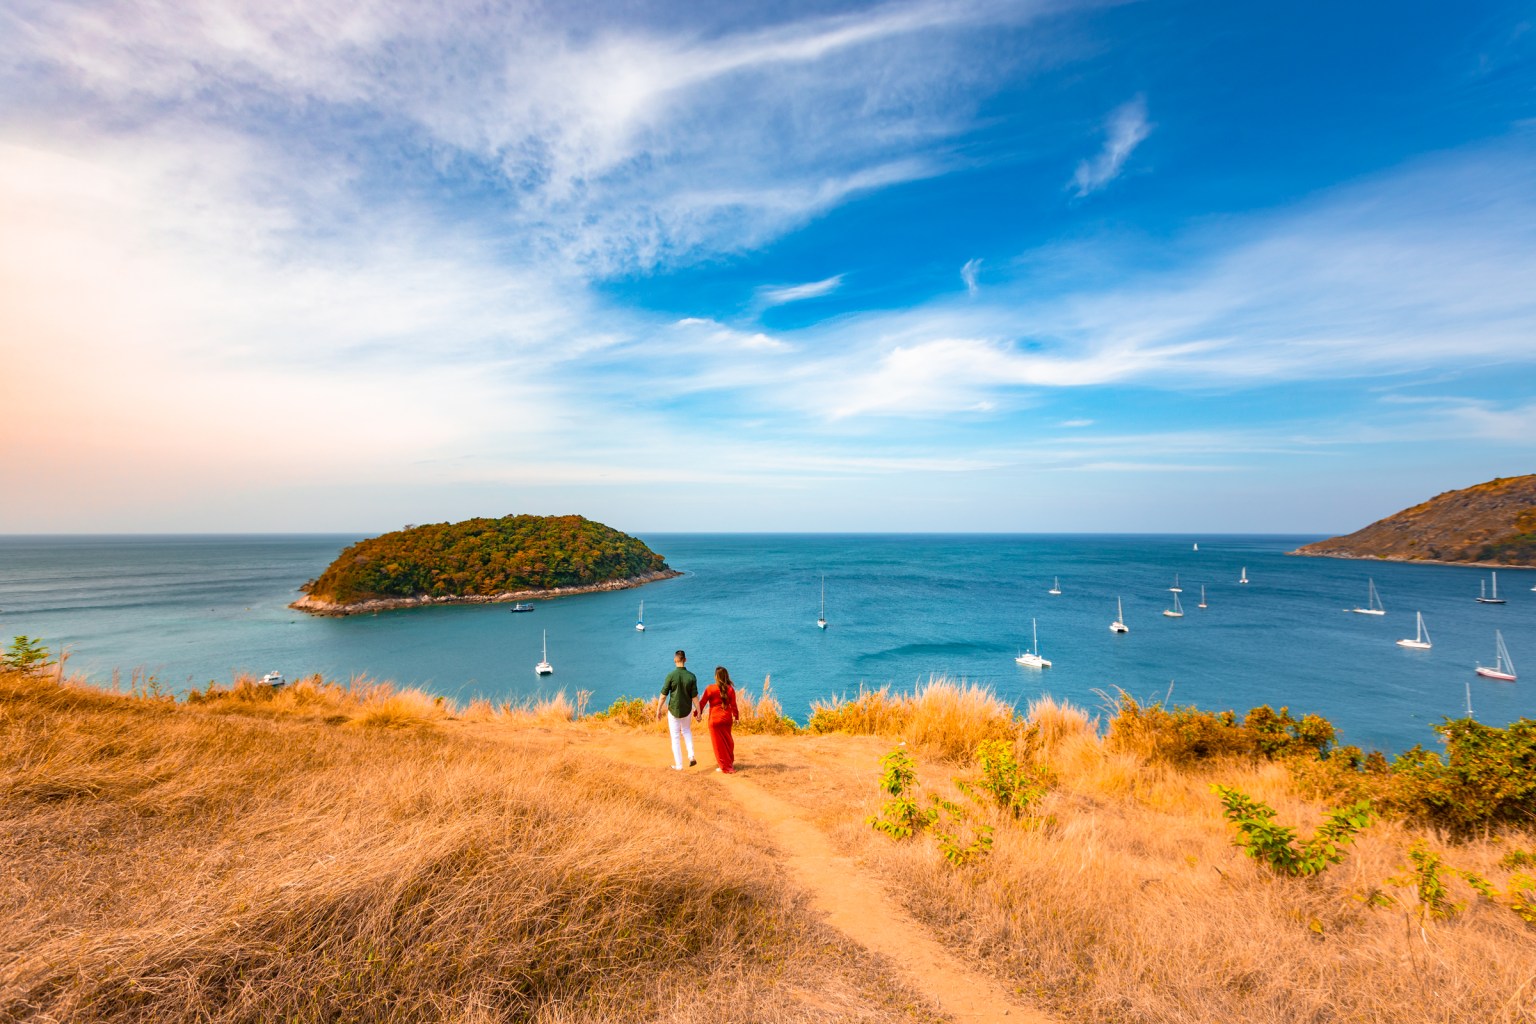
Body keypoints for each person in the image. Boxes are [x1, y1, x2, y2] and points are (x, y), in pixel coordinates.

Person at [695, 666, 741, 774]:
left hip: (714, 719)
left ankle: (724, 766)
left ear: (716, 676)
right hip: (726, 719)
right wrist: (736, 717)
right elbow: (734, 705)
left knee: (718, 745)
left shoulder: (710, 689)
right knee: (728, 741)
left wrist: (697, 713)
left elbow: (702, 703)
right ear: (726, 676)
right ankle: (729, 762)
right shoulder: (730, 689)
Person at [660, 649, 698, 770]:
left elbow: (663, 695)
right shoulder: (691, 676)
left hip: (674, 710)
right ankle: (691, 756)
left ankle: (679, 765)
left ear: (674, 660)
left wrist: (658, 709)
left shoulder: (671, 676)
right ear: (685, 660)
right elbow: (694, 697)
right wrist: (699, 710)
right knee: (686, 731)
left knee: (675, 737)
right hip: (687, 710)